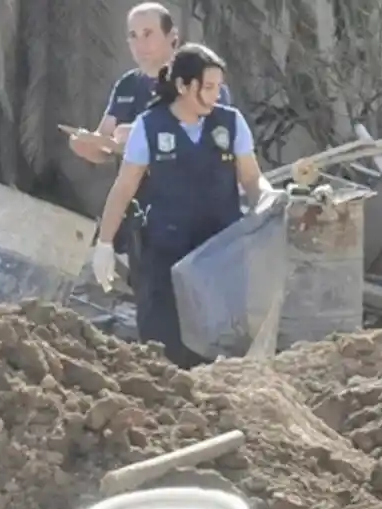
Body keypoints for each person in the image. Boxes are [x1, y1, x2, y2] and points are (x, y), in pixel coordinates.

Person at [90, 43, 279, 369]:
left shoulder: (231, 123)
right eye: (208, 87)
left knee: (219, 350)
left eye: (218, 87)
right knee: (164, 350)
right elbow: (123, 188)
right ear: (183, 86)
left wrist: (268, 198)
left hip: (220, 254)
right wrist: (104, 244)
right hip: (164, 254)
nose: (217, 95)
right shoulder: (149, 126)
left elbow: (251, 178)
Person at [69, 2, 231, 163]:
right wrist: (88, 147)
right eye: (133, 35)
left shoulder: (203, 81)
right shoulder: (127, 84)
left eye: (148, 34)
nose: (140, 44)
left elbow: (215, 143)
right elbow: (105, 144)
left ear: (172, 36)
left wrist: (142, 133)